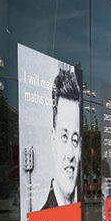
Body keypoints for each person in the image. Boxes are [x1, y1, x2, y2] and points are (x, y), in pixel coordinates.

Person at [41, 68, 82, 208]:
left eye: (75, 140)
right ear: (53, 140)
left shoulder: (84, 212)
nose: (70, 154)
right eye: (64, 137)